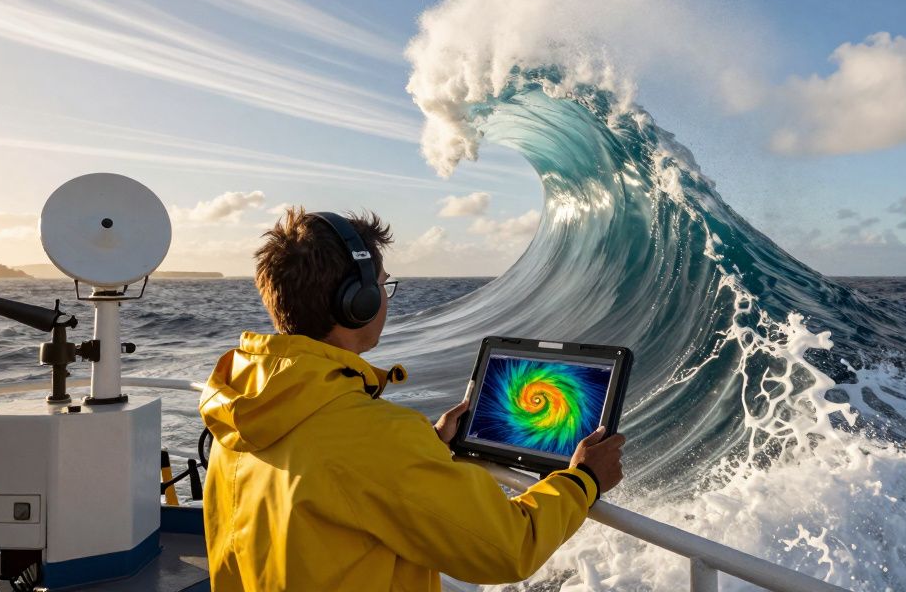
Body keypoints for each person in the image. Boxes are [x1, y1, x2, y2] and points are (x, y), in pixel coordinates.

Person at [199, 207, 625, 591]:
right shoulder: (373, 439)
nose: (385, 297)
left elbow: (331, 481)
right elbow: (507, 548)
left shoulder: (244, 405)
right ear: (357, 302)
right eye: (384, 285)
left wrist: (427, 447)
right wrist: (583, 480)